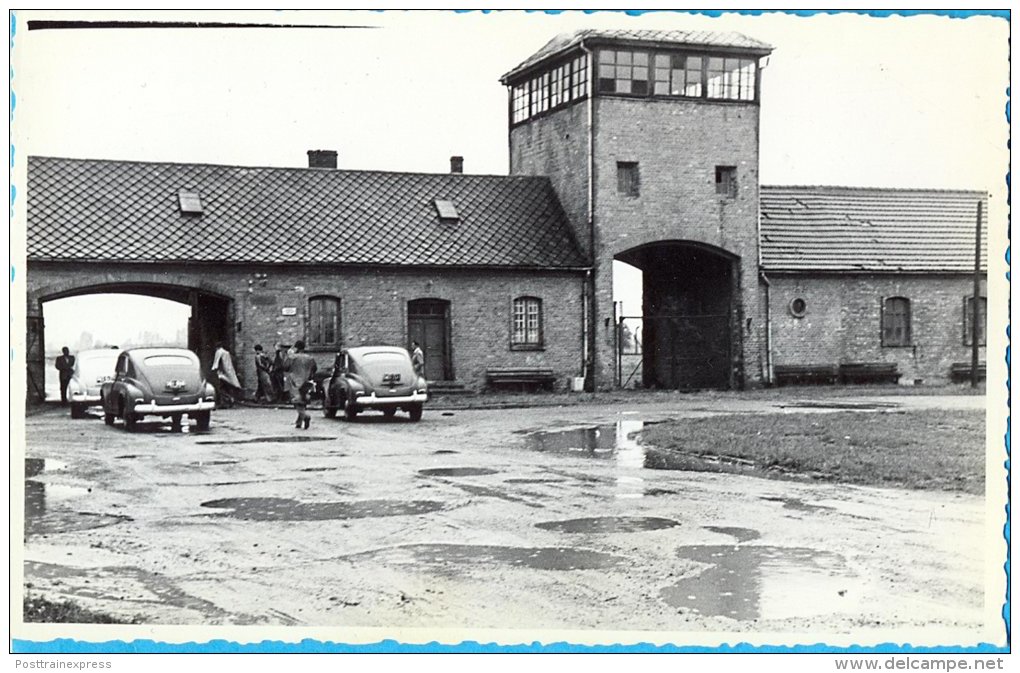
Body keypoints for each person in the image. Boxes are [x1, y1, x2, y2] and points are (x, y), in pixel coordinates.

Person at [283, 340, 317, 429]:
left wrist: (288, 355)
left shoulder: (292, 357)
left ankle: (305, 416)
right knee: (303, 400)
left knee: (297, 401)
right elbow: (315, 369)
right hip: (306, 381)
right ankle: (299, 422)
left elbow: (285, 367)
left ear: (297, 348)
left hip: (294, 381)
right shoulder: (310, 358)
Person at [211, 342, 242, 408]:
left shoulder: (219, 352)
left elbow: (216, 363)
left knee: (221, 389)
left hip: (221, 374)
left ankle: (227, 400)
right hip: (228, 373)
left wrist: (215, 369)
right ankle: (228, 401)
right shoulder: (226, 353)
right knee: (227, 387)